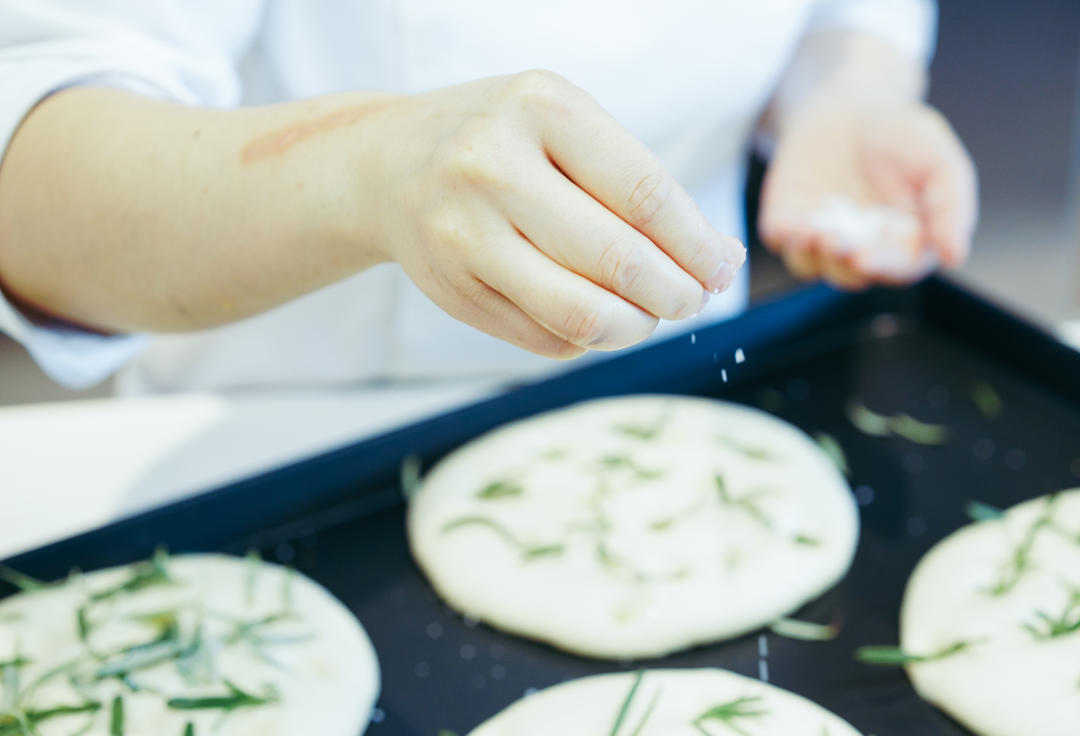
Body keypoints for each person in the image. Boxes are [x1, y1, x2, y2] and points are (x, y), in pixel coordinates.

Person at [0, 0, 976, 396]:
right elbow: (32, 182)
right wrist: (367, 169)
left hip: (666, 399)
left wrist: (849, 89)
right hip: (283, 426)